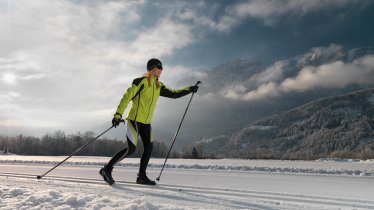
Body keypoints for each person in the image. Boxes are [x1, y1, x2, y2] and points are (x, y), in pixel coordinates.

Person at [99, 58, 199, 185]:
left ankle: (141, 176)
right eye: (159, 67)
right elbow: (127, 97)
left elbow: (174, 93)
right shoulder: (140, 82)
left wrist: (190, 89)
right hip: (134, 120)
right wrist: (118, 115)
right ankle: (107, 169)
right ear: (152, 68)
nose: (161, 70)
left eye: (162, 67)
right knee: (131, 149)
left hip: (146, 123)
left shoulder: (159, 86)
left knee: (149, 147)